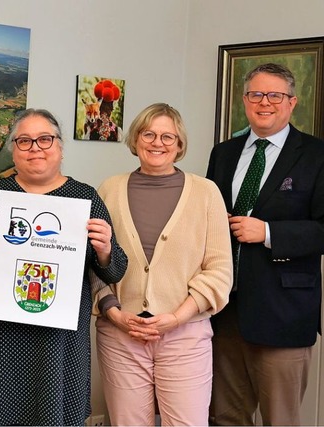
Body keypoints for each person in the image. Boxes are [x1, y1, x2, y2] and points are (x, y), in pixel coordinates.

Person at [0, 108, 128, 426]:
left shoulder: (85, 198)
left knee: (55, 415)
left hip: (59, 336)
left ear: (60, 147)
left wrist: (105, 250)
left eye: (45, 139)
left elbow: (114, 271)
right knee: (3, 414)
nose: (35, 147)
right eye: (24, 141)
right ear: (13, 151)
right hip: (4, 332)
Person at [94, 103, 233, 426]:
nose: (158, 143)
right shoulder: (109, 189)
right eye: (149, 134)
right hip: (121, 335)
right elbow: (92, 264)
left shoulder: (206, 193)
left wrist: (176, 317)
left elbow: (220, 269)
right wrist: (114, 313)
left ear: (180, 144)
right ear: (136, 139)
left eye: (168, 137)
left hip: (185, 334)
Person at [207, 63, 324, 426]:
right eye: (256, 94)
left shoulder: (317, 155)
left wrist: (269, 232)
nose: (265, 102)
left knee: (281, 420)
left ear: (292, 102)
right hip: (224, 310)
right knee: (225, 418)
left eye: (275, 95)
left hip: (283, 313)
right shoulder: (223, 154)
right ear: (245, 100)